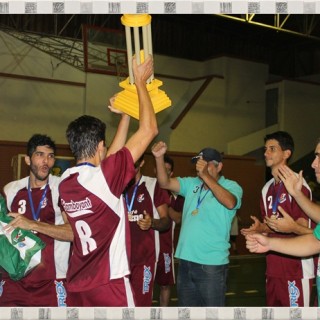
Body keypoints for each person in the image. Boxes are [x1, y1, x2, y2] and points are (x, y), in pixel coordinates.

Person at [58, 55, 158, 307]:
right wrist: (141, 83)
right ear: (100, 147)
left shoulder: (65, 182)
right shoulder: (104, 177)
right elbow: (149, 130)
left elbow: (111, 159)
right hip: (108, 283)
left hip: (78, 284)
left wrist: (125, 115)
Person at [152, 141, 243, 307]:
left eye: (205, 164)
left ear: (219, 166)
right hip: (186, 261)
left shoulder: (231, 186)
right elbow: (164, 183)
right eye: (198, 164)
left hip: (211, 265)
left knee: (212, 314)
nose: (199, 168)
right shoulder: (191, 183)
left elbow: (230, 202)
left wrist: (206, 177)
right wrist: (159, 158)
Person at [241, 131, 314, 307]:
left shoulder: (297, 184)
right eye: (265, 149)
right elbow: (274, 225)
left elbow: (305, 226)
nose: (266, 153)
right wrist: (261, 228)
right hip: (273, 269)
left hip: (296, 270)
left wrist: (291, 227)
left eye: (272, 149)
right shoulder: (266, 188)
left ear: (286, 154)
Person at [0, 134, 73, 307]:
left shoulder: (62, 188)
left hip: (51, 281)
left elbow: (73, 233)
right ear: (27, 159)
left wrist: (32, 224)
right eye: (40, 155)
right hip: (14, 280)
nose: (46, 161)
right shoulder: (11, 190)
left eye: (50, 156)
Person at [125, 154, 170, 306]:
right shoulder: (118, 186)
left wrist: (151, 223)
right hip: (120, 259)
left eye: (134, 162)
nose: (130, 167)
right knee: (122, 305)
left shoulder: (153, 185)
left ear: (142, 162)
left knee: (141, 305)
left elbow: (166, 222)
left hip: (145, 259)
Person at [154, 154, 184, 306]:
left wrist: (165, 205)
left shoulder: (176, 195)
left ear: (171, 173)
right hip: (145, 247)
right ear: (155, 170)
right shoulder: (146, 189)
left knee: (165, 285)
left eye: (168, 170)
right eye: (161, 169)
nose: (164, 172)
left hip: (165, 247)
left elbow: (178, 219)